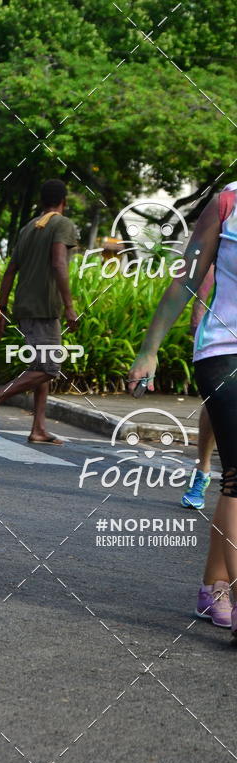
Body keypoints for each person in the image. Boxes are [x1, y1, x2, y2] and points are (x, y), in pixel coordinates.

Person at [128, 182, 237, 634]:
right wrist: (149, 348)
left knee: (234, 481)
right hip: (226, 351)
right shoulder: (229, 200)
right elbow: (187, 276)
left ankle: (215, 585)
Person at [0, 179, 79, 445]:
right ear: (63, 202)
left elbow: (10, 270)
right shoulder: (62, 224)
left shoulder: (27, 227)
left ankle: (39, 429)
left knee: (39, 366)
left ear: (41, 202)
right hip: (45, 308)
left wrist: (0, 309)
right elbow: (59, 263)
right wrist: (69, 306)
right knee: (49, 368)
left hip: (25, 306)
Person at [181, 265, 216, 509]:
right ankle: (202, 471)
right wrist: (199, 309)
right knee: (216, 400)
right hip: (227, 330)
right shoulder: (227, 225)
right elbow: (211, 263)